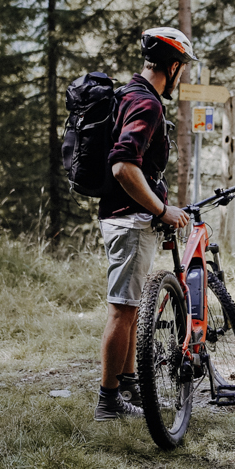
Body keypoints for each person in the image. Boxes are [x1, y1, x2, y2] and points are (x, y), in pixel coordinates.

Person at [94, 27, 195, 421]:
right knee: (122, 310)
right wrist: (160, 210)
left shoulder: (130, 93)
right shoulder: (146, 103)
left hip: (127, 219)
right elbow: (123, 166)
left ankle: (129, 384)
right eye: (182, 68)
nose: (181, 75)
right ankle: (108, 401)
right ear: (172, 67)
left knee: (132, 307)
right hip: (131, 222)